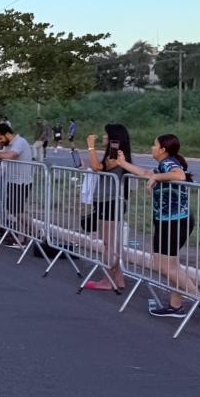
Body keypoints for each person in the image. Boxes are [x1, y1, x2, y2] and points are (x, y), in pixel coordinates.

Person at [115, 135, 198, 317]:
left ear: (162, 149)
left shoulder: (169, 163)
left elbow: (179, 175)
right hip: (168, 220)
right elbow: (146, 173)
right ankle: (176, 306)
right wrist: (123, 163)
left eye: (154, 145)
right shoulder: (164, 164)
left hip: (175, 221)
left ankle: (199, 301)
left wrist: (156, 177)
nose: (152, 148)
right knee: (171, 266)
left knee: (166, 267)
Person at [85, 124, 131, 291]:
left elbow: (97, 167)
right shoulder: (118, 154)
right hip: (110, 201)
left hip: (109, 201)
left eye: (106, 135)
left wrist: (90, 146)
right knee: (113, 243)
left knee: (108, 244)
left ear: (113, 138)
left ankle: (107, 280)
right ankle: (118, 278)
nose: (103, 137)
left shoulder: (115, 155)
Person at [0, 123, 35, 248]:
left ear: (7, 134)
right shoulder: (8, 145)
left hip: (21, 181)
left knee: (16, 210)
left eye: (0, 138)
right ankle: (23, 236)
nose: (0, 142)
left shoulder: (20, 142)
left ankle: (35, 232)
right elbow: (3, 157)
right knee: (15, 209)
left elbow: (11, 156)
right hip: (11, 180)